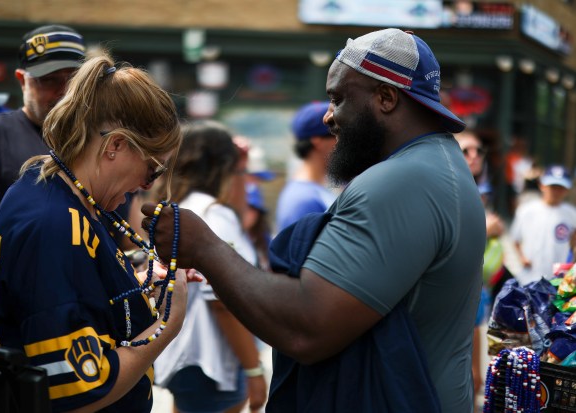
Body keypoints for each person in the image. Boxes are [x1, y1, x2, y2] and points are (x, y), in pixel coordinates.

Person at [144, 28, 486, 412]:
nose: (328, 117)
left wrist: (205, 247)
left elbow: (307, 327)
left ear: (387, 98)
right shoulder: (441, 163)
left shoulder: (400, 182)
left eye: (338, 99)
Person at [0, 52, 191, 412]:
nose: (143, 186)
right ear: (115, 146)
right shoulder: (53, 223)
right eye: (151, 170)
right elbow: (79, 391)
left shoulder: (55, 188)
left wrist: (133, 284)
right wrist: (167, 323)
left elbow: (66, 290)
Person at [153, 120, 267, 413]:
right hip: (210, 361)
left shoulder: (183, 208)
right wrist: (254, 370)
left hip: (185, 356)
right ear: (224, 166)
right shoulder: (213, 215)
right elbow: (223, 302)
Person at [0, 24, 85, 220]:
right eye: (50, 79)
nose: (65, 91)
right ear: (22, 80)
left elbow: (130, 241)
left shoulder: (103, 140)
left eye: (75, 79)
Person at [455, 130, 505, 409]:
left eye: (478, 151)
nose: (474, 156)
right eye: (466, 151)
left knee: (474, 379)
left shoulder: (476, 189)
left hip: (477, 292)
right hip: (455, 298)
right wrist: (487, 229)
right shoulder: (450, 187)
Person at [275, 101, 337, 231]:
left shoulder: (315, 190)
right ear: (318, 141)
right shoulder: (304, 199)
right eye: (336, 134)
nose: (342, 141)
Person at [511, 165, 576, 285]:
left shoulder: (571, 214)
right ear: (542, 185)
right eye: (553, 187)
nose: (556, 191)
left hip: (558, 280)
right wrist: (522, 258)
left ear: (567, 190)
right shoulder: (526, 210)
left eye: (560, 188)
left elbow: (573, 241)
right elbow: (515, 239)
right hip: (529, 277)